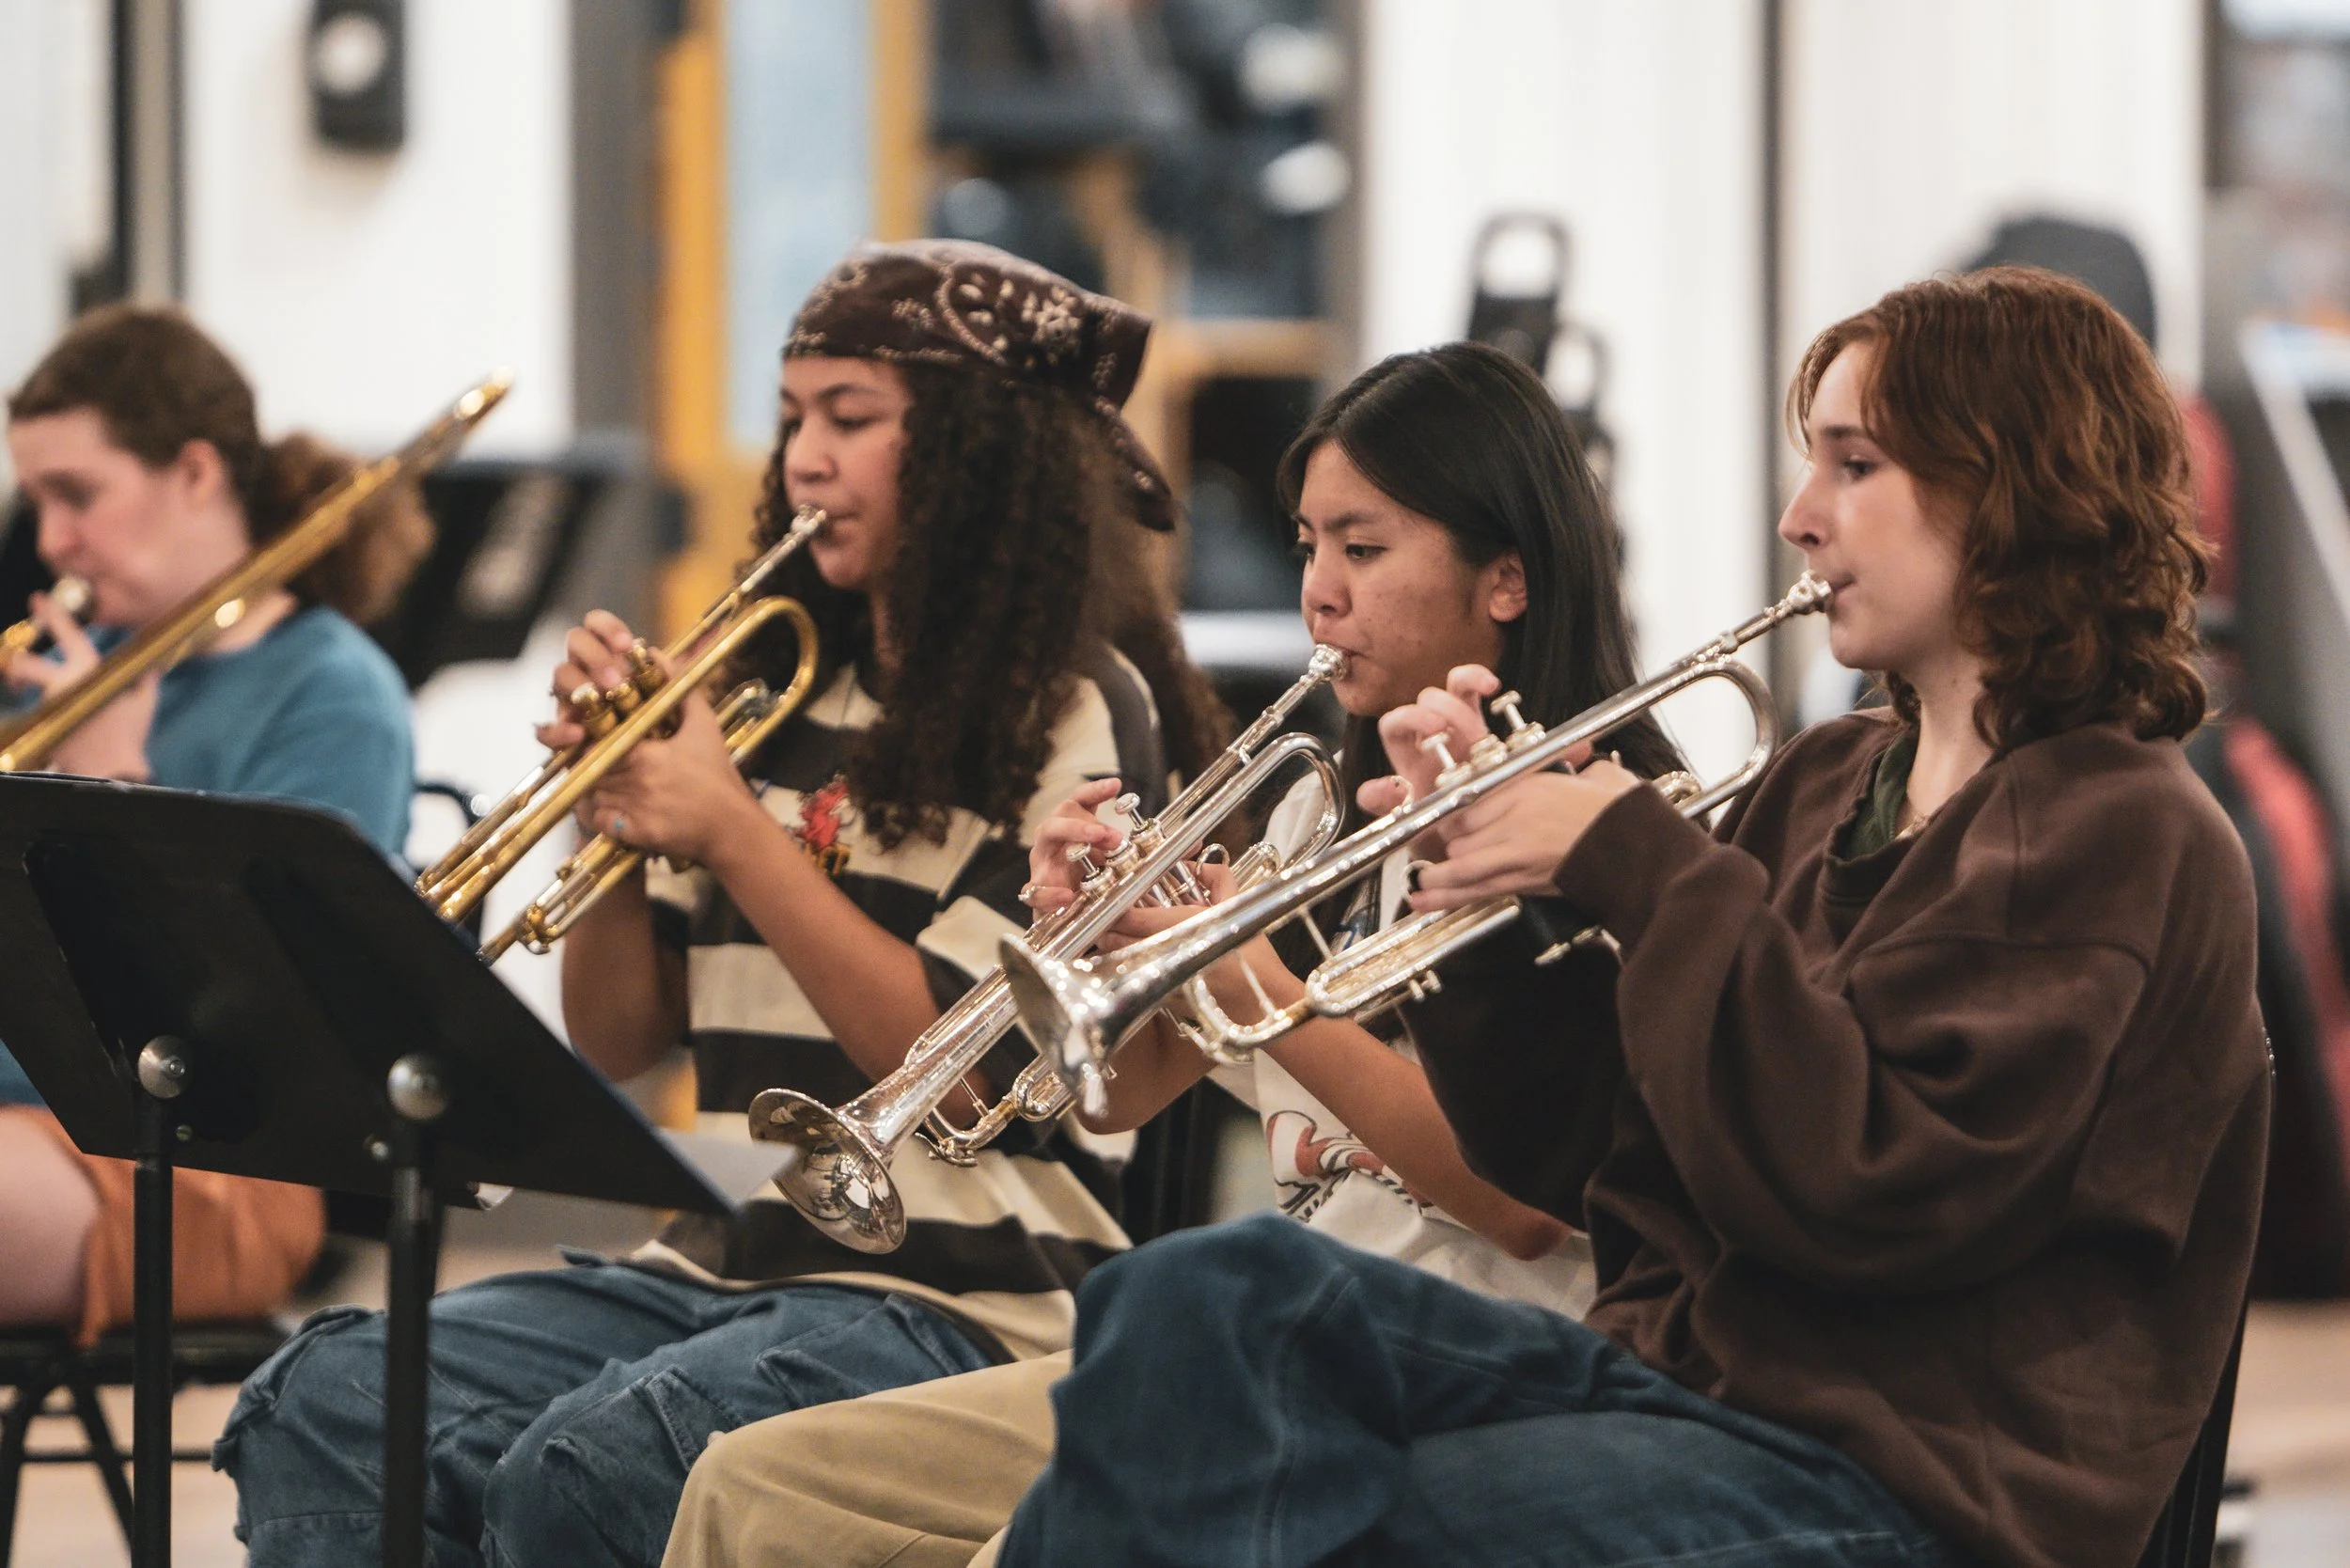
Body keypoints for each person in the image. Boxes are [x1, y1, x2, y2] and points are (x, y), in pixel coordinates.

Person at [981, 266, 2267, 1568]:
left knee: (1296, 1518)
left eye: (1853, 465)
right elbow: (1587, 1159)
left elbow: (1873, 1189)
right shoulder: (1825, 780)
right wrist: (1478, 880)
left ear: (2011, 488)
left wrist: (1643, 865)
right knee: (1200, 1295)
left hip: (1906, 1484)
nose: (1799, 518)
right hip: (1680, 1386)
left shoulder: (2118, 830)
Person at [214, 241, 1230, 1568]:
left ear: (981, 454)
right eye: (793, 418)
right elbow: (619, 1035)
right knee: (327, 1398)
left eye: (851, 419)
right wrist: (606, 808)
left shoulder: (1079, 707)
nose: (804, 459)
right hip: (715, 1262)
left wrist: (734, 834)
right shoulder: (765, 693)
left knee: (590, 1467)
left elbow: (964, 1070)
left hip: (963, 1301)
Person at [658, 339, 1684, 1568]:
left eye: (1363, 550)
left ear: (1506, 579)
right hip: (1257, 1353)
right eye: (1307, 546)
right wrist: (1093, 947)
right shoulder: (1317, 816)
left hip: (1454, 1366)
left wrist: (1244, 970)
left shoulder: (1610, 827)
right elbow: (1122, 1100)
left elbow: (1524, 1212)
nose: (1319, 593)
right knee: (748, 1489)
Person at [0, 304, 427, 1343]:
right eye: (37, 501)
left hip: (198, 1162)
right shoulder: (72, 676)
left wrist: (109, 786)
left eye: (77, 495)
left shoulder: (332, 695)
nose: (50, 541)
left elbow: (253, 1032)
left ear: (194, 473)